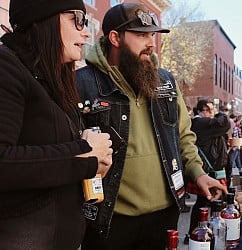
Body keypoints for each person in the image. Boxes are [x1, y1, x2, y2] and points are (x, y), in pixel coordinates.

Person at [75, 3, 226, 249]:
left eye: (152, 34)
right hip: (110, 219)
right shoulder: (82, 83)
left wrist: (199, 174)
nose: (151, 43)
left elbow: (183, 137)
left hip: (164, 217)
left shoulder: (165, 81)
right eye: (141, 34)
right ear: (115, 37)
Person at [0, 0, 113, 249]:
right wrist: (84, 153)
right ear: (45, 17)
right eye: (78, 19)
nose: (86, 31)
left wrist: (94, 163)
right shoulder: (7, 67)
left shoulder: (55, 78)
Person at [186, 99, 230, 243]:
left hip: (214, 169)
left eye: (212, 109)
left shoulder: (204, 124)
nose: (211, 113)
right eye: (208, 110)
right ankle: (202, 235)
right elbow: (224, 123)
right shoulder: (200, 122)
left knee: (204, 203)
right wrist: (221, 113)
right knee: (208, 204)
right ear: (199, 111)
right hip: (209, 171)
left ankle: (198, 234)